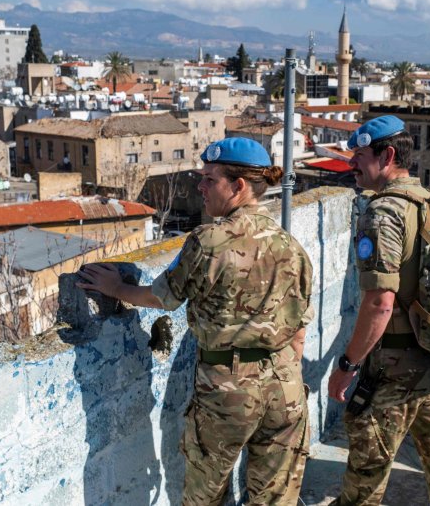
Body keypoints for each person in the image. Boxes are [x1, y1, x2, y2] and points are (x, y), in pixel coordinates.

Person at [77, 137, 313, 506]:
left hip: (229, 390)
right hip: (286, 385)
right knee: (276, 497)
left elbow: (161, 297)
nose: (199, 187)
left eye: (209, 179)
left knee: (205, 494)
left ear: (238, 186)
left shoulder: (209, 241)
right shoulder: (292, 246)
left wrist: (116, 286)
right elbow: (299, 328)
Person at [326, 115, 430, 506]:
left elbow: (380, 303)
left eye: (358, 155)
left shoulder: (383, 213)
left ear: (387, 155)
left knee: (366, 475)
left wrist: (348, 365)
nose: (351, 164)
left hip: (396, 368)